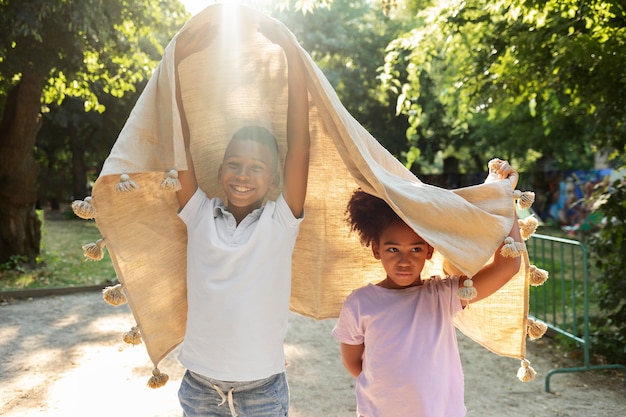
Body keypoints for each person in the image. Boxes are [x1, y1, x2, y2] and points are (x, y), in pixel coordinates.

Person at [173, 14, 310, 417]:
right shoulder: (198, 214)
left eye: (257, 167)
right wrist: (177, 65)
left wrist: (290, 51)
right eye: (234, 163)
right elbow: (179, 143)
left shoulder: (280, 222)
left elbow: (300, 147)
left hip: (262, 392)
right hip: (199, 389)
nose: (243, 174)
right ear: (219, 172)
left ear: (274, 181)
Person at [332, 159, 522, 417]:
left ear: (429, 251)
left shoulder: (442, 296)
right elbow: (353, 362)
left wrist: (503, 198)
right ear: (376, 250)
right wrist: (389, 387)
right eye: (392, 249)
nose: (404, 260)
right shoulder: (360, 302)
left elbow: (506, 267)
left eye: (416, 249)